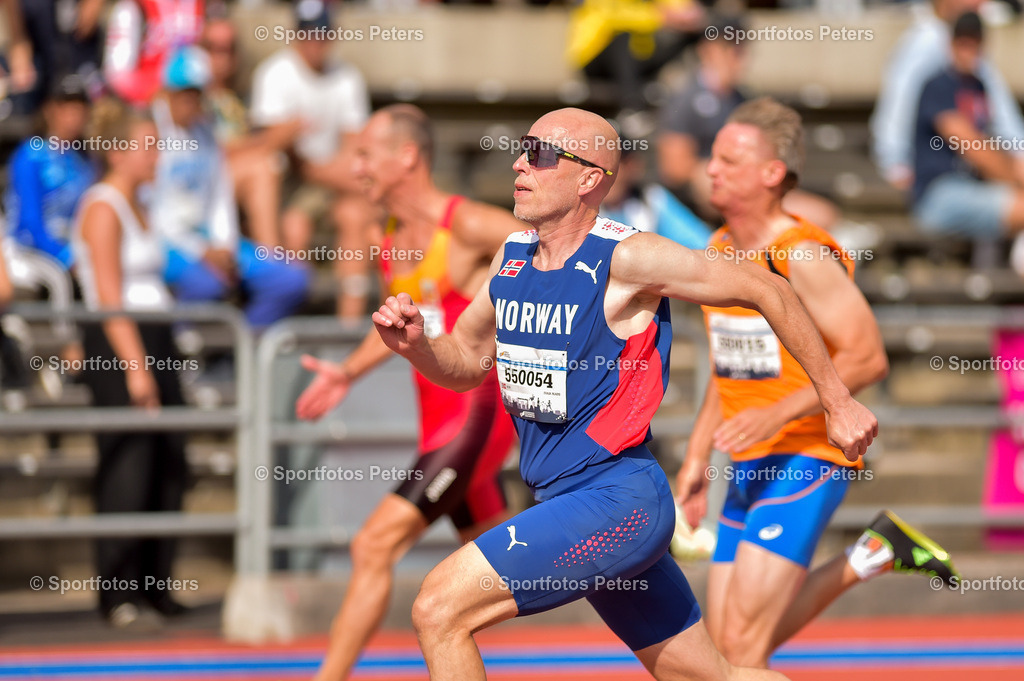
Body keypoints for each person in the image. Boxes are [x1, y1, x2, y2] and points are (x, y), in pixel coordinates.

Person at [369, 106, 878, 681]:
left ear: (589, 177)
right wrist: (415, 346)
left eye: (538, 154)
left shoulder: (629, 257)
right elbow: (464, 361)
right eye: (521, 148)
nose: (519, 164)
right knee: (719, 676)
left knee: (438, 608)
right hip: (567, 499)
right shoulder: (511, 258)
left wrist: (837, 400)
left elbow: (770, 289)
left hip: (617, 499)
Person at [674, 97, 958, 670]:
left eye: (729, 159)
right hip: (748, 459)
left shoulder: (801, 255)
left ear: (771, 174)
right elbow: (728, 368)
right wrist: (696, 460)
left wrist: (778, 414)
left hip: (807, 454)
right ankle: (873, 552)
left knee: (743, 652)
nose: (711, 169)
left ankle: (871, 554)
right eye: (713, 157)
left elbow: (868, 358)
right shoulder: (721, 249)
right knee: (728, 652)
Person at [296, 104, 520, 681]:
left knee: (373, 546)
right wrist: (347, 371)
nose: (355, 166)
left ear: (408, 157)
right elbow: (401, 324)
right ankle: (644, 590)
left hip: (475, 416)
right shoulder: (389, 236)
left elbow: (553, 242)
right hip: (439, 421)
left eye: (366, 154)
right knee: (520, 570)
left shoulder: (465, 224)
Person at [71, 98, 188, 628]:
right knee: (127, 464)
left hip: (156, 337)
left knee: (169, 462)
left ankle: (156, 585)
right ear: (117, 152)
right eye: (147, 146)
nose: (156, 155)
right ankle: (118, 590)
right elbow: (108, 296)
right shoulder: (102, 206)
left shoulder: (142, 204)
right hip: (120, 346)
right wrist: (136, 367)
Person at [150, 46, 309, 330]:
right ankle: (180, 351)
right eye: (184, 93)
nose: (191, 101)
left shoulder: (206, 131)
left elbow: (219, 197)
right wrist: (201, 251)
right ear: (168, 93)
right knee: (206, 284)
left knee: (291, 280)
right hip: (164, 242)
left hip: (207, 238)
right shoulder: (149, 133)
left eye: (197, 93)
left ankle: (241, 350)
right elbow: (152, 210)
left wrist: (224, 245)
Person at [249, 0, 375, 322]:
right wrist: (289, 139)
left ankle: (346, 330)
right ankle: (293, 326)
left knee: (355, 218)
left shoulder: (348, 78)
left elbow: (354, 148)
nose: (315, 42)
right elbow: (265, 148)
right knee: (295, 227)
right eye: (308, 34)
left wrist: (315, 165)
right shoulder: (274, 74)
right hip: (291, 183)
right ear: (295, 35)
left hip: (327, 180)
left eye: (321, 33)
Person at [658, 16, 838, 230]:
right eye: (729, 48)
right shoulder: (686, 98)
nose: (738, 58)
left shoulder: (745, 99)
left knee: (822, 215)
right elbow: (675, 168)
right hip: (706, 190)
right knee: (707, 177)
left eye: (741, 48)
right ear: (708, 50)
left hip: (750, 185)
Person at [871, 0, 1024, 194]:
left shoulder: (968, 40)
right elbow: (899, 107)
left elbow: (1002, 116)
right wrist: (896, 162)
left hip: (981, 166)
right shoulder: (929, 40)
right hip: (940, 176)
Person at [911, 11, 1024, 238]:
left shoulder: (979, 87)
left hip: (974, 187)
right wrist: (1015, 178)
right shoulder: (938, 86)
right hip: (939, 194)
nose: (968, 50)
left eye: (974, 42)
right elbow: (971, 146)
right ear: (951, 44)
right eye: (962, 42)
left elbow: (992, 143)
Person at [6, 73, 96, 270]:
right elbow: (29, 221)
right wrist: (65, 256)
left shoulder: (85, 160)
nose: (73, 116)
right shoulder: (31, 155)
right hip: (28, 253)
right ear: (50, 110)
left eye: (79, 109)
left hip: (76, 248)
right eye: (66, 108)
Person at [600, 146, 710, 250]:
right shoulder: (585, 207)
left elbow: (701, 243)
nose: (602, 175)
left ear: (632, 166)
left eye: (611, 167)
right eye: (596, 166)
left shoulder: (653, 199)